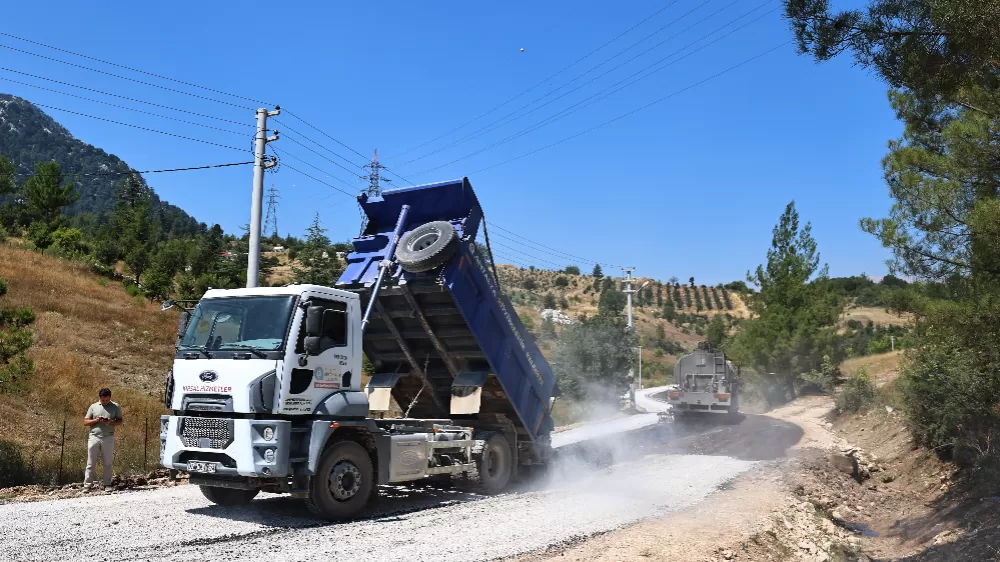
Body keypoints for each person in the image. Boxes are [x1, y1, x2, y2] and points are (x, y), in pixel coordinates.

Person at [83, 388, 123, 492]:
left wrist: (109, 421)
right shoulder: (93, 406)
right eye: (102, 400)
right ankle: (87, 485)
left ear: (110, 397)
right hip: (94, 437)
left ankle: (107, 484)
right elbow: (85, 422)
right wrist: (96, 420)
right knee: (91, 462)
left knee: (107, 462)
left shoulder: (115, 406)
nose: (104, 402)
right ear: (99, 398)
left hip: (108, 437)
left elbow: (119, 421)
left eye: (106, 400)